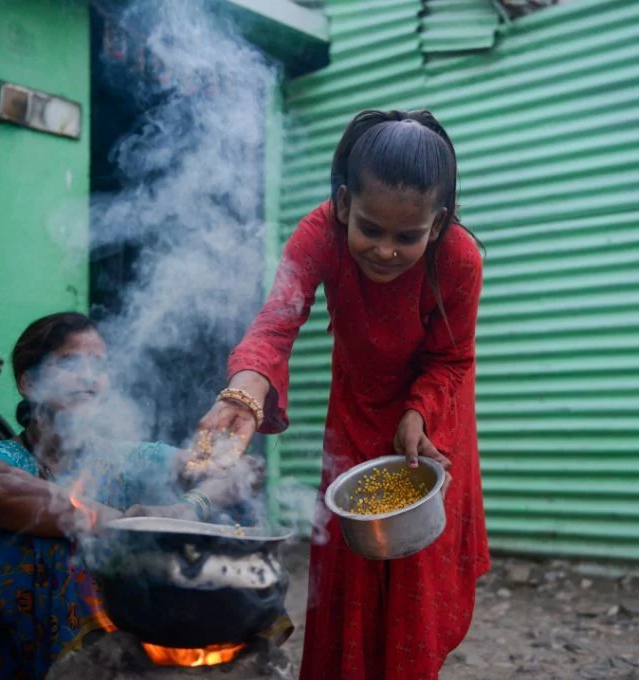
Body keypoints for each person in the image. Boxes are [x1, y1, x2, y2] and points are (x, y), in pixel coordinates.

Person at [199, 109, 490, 679]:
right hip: (355, 412)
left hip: (430, 425)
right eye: (370, 228)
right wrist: (243, 394)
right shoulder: (317, 235)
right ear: (341, 204)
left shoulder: (459, 258)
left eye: (407, 236)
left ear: (438, 224)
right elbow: (276, 322)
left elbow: (451, 358)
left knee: (414, 581)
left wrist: (418, 412)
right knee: (352, 564)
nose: (384, 251)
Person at [0, 312, 278, 679]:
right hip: (1, 655)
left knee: (227, 525)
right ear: (28, 383)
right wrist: (127, 523)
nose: (89, 376)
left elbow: (243, 472)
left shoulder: (124, 457)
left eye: (100, 364)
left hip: (108, 647)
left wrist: (190, 507)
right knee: (51, 544)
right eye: (70, 362)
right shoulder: (0, 458)